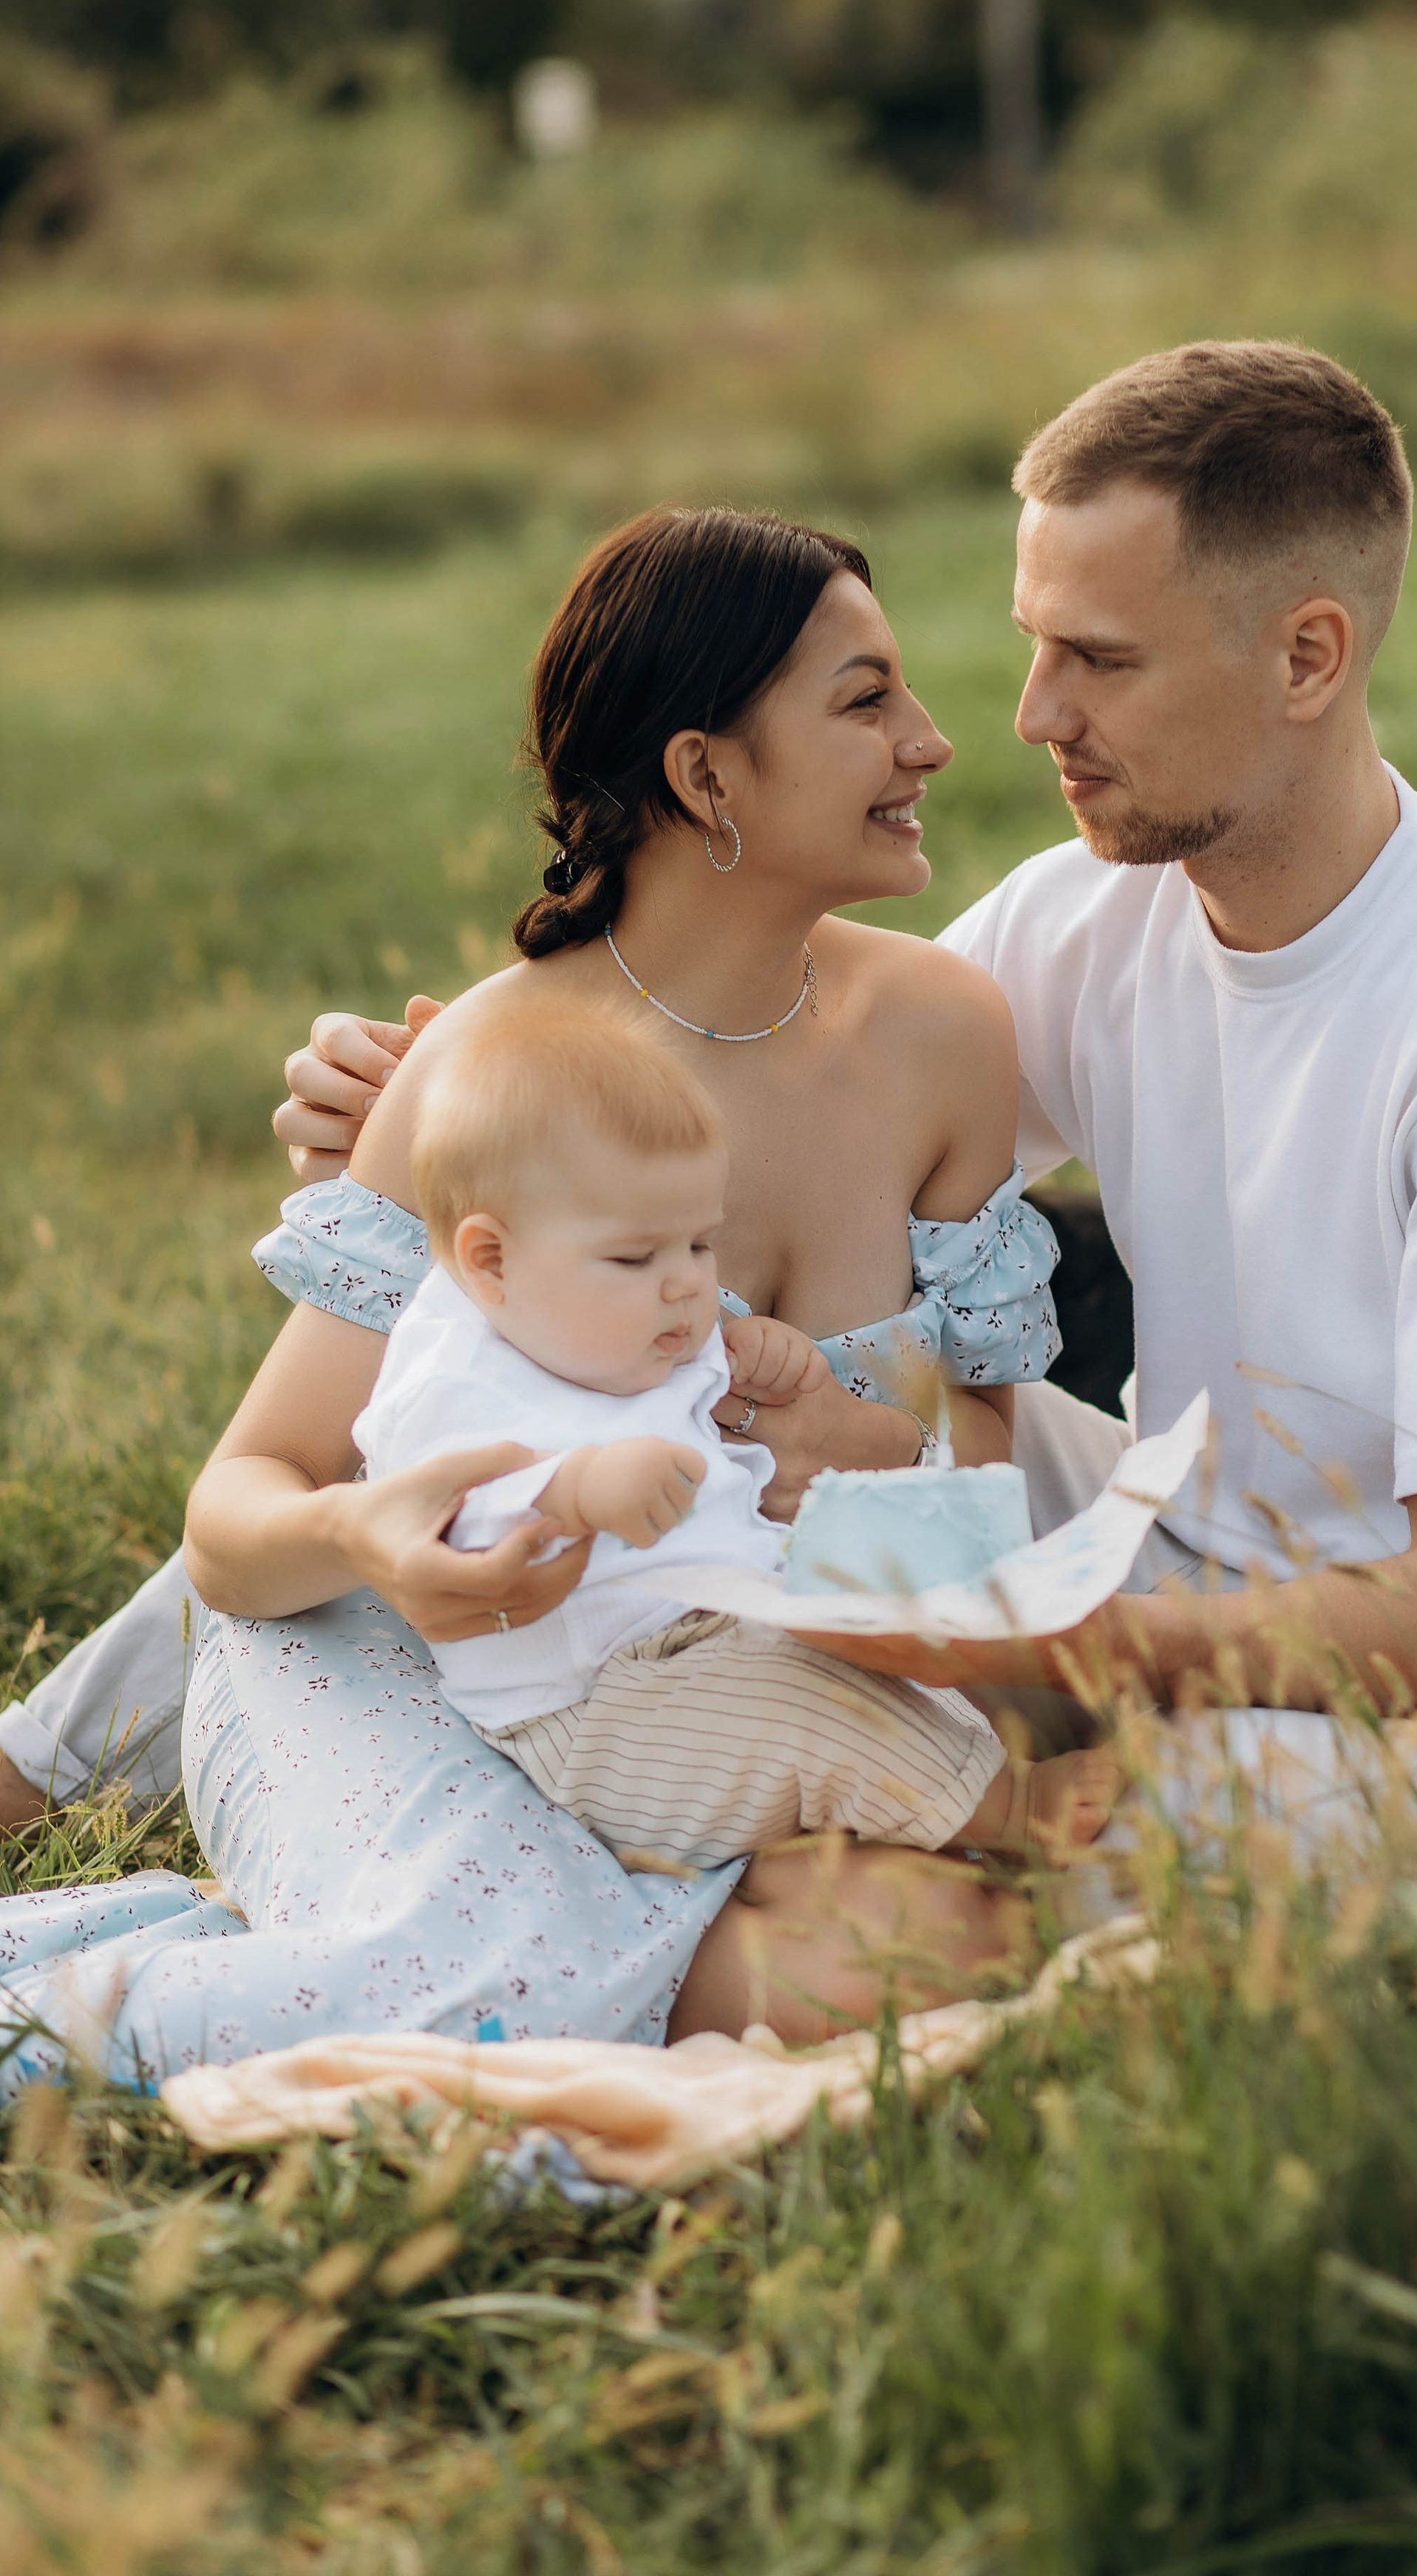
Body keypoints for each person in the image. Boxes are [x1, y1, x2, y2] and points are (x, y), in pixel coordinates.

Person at [263, 339, 1417, 1865]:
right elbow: (760, 1068)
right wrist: (442, 1122)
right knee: (455, 1396)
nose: (1030, 715)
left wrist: (1027, 1647)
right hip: (1167, 1534)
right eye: (1034, 645)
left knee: (1014, 1865)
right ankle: (51, 1752)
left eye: (1099, 661)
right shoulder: (1093, 919)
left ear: (1305, 658)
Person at [0, 506, 1068, 2084]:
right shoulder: (492, 1068)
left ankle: (310, 1937)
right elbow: (238, 1515)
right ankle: (124, 1985)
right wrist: (373, 1536)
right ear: (705, 776)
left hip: (724, 1680)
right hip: (404, 1657)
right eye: (865, 702)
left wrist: (858, 1476)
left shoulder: (940, 1037)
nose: (931, 742)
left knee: (940, 1954)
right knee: (491, 1971)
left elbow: (976, 1505)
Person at [359, 987, 1114, 1862]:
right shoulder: (456, 1369)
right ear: (490, 1260)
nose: (685, 1282)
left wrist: (764, 1354)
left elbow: (718, 1391)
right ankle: (1008, 1816)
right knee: (806, 1714)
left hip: (713, 1634)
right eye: (640, 1256)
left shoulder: (615, 1321)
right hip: (596, 1705)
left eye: (698, 1243)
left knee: (870, 1665)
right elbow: (442, 1503)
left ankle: (952, 1800)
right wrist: (575, 1491)